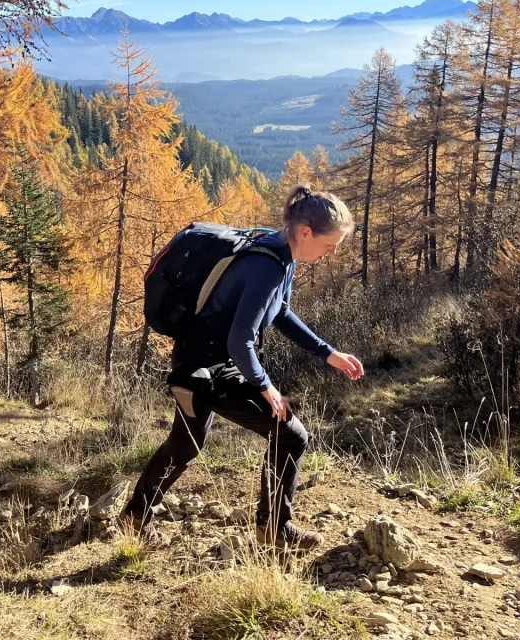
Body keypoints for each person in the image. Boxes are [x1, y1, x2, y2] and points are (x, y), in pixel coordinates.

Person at [122, 186, 364, 550]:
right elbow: (241, 342)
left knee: (185, 444)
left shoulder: (280, 253)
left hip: (198, 359)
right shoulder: (267, 266)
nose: (331, 254)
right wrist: (265, 387)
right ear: (305, 232)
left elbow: (278, 311)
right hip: (209, 368)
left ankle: (134, 517)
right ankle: (275, 529)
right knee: (292, 435)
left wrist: (327, 353)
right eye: (330, 245)